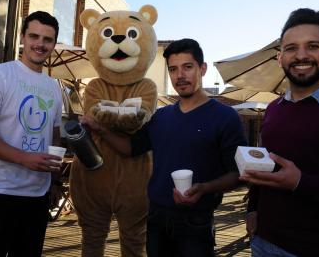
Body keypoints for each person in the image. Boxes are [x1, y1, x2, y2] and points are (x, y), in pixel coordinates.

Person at [83, 38, 247, 257]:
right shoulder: (161, 116)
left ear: (202, 68)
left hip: (196, 222)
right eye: (173, 69)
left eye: (187, 67)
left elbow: (238, 174)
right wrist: (100, 129)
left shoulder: (226, 117)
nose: (180, 75)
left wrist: (204, 188)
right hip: (156, 219)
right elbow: (130, 148)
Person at [240, 8, 319, 257]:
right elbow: (266, 166)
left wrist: (301, 182)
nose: (301, 55)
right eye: (291, 48)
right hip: (263, 242)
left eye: (313, 46)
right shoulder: (273, 109)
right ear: (281, 57)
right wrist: (252, 209)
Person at [0, 11, 63, 257]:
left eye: (47, 40)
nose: (40, 44)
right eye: (34, 36)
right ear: (22, 37)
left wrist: (54, 182)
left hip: (37, 196)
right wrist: (24, 158)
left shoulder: (53, 86)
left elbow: (53, 136)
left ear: (53, 43)